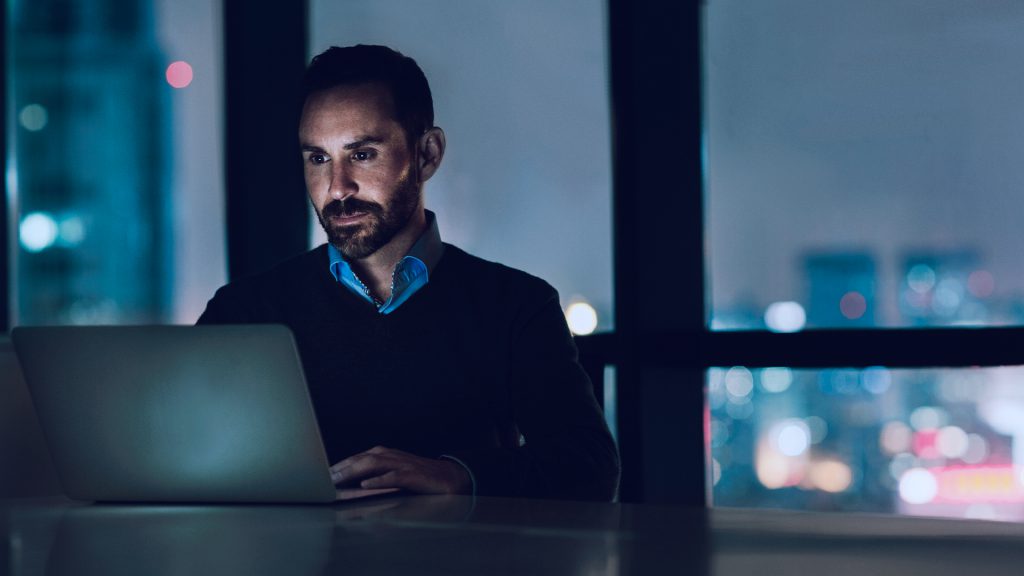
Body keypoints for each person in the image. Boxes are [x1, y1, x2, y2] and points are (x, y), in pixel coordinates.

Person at [198, 45, 619, 501]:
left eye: (362, 155)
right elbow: (182, 458)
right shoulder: (243, 310)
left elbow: (590, 465)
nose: (337, 187)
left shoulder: (515, 305)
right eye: (318, 159)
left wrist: (455, 475)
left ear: (427, 154)